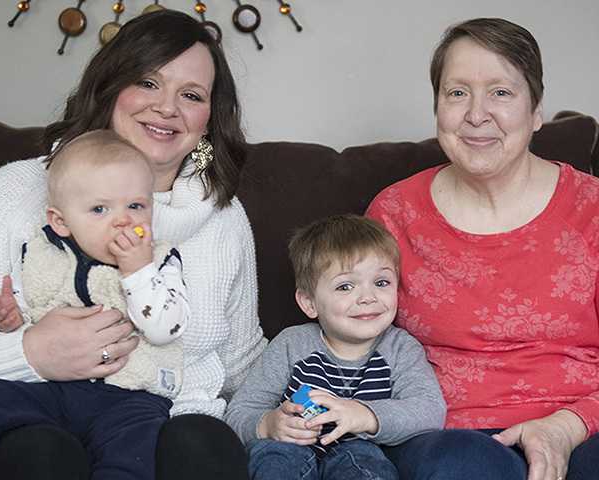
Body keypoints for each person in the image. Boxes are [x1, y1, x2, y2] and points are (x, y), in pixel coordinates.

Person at [0, 9, 265, 480]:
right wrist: (27, 354)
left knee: (202, 441)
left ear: (208, 121)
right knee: (42, 452)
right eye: (147, 82)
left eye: (190, 95)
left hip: (160, 420)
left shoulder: (223, 216)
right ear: (109, 87)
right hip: (35, 411)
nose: (167, 107)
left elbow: (242, 367)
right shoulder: (11, 195)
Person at [366, 17, 599, 480]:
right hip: (448, 434)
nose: (476, 114)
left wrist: (566, 427)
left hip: (583, 423)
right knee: (461, 467)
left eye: (500, 92)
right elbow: (355, 344)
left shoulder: (592, 209)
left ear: (535, 111)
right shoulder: (394, 214)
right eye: (457, 93)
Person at [0, 130, 191, 480]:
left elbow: (164, 329)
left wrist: (138, 271)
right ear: (61, 222)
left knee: (138, 448)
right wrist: (4, 319)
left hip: (127, 397)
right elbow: (30, 315)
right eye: (100, 209)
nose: (123, 220)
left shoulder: (160, 263)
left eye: (136, 206)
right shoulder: (46, 255)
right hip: (50, 388)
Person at [225, 214, 446, 480]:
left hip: (361, 454)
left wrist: (365, 416)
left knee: (363, 462)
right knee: (274, 456)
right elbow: (239, 411)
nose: (367, 297)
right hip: (292, 448)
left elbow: (429, 410)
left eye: (381, 282)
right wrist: (267, 425)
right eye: (345, 286)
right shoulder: (291, 344)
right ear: (309, 303)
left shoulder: (400, 348)